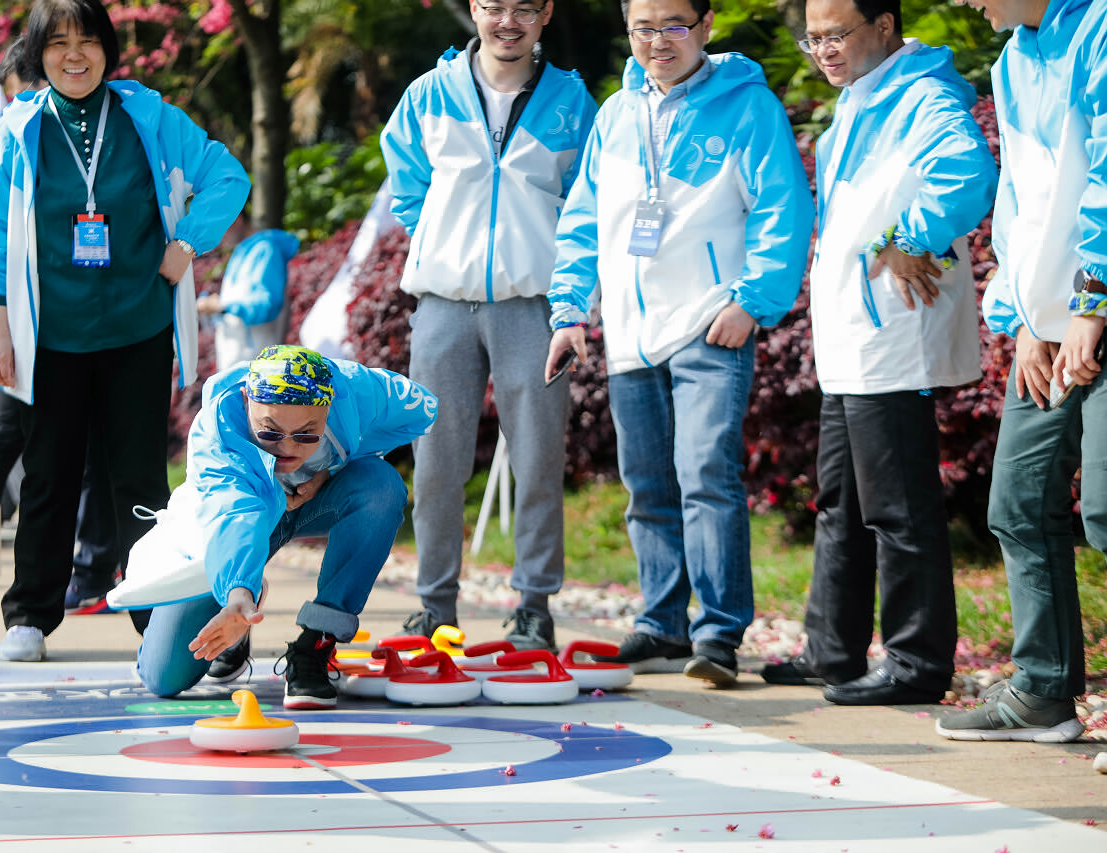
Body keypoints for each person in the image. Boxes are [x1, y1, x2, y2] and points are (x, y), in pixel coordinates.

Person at [0, 0, 250, 662]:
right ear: (38, 53)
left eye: (88, 41)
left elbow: (226, 176)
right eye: (59, 42)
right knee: (49, 474)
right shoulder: (17, 130)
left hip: (138, 325)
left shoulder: (150, 116)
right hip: (53, 333)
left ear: (108, 50)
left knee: (141, 482)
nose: (74, 54)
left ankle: (155, 617)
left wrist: (185, 244)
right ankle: (31, 614)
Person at [547, 0, 813, 684]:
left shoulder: (747, 105)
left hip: (707, 323)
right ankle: (661, 622)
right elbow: (583, 219)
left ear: (705, 25)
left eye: (674, 25)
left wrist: (752, 301)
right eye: (643, 27)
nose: (658, 41)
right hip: (632, 333)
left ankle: (718, 633)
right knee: (646, 484)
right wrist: (570, 308)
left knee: (706, 476)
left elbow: (783, 206)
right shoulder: (616, 114)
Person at [758, 0, 998, 705]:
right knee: (840, 500)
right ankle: (832, 649)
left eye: (838, 34)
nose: (824, 50)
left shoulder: (921, 96)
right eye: (814, 38)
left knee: (898, 507)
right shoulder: (859, 101)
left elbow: (966, 173)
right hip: (853, 339)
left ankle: (918, 664)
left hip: (893, 334)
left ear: (885, 25)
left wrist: (913, 235)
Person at [379, 0, 599, 651]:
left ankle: (534, 605)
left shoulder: (573, 101)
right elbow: (406, 183)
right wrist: (440, 245)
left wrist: (573, 301)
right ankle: (434, 604)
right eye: (494, 5)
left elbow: (587, 204)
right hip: (443, 304)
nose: (509, 21)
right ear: (474, 8)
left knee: (536, 460)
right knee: (436, 459)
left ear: (546, 13)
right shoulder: (429, 94)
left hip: (532, 305)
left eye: (525, 8)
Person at [936, 0, 1107, 742]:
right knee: (1018, 501)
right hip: (1051, 321)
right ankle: (1042, 691)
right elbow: (1022, 203)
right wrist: (1023, 318)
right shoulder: (1012, 61)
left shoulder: (1099, 29)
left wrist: (1091, 300)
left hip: (1096, 305)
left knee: (1105, 508)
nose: (966, 2)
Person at [127, 346, 438, 708]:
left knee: (381, 486)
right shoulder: (218, 433)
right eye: (270, 434)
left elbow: (423, 410)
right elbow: (233, 513)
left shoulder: (358, 391)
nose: (287, 449)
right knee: (162, 677)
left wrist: (333, 467)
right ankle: (242, 604)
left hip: (311, 505)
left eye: (307, 435)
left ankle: (316, 643)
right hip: (239, 527)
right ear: (246, 400)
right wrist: (239, 595)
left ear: (331, 403)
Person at [0, 37, 121, 606]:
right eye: (13, 98)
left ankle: (91, 570)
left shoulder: (101, 134)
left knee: (89, 447)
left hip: (81, 323)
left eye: (23, 96)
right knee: (8, 434)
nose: (19, 109)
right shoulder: (9, 143)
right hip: (8, 324)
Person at [197, 228, 299, 372]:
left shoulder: (265, 250)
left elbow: (267, 307)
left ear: (236, 219)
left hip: (260, 372)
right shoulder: (241, 253)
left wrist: (222, 306)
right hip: (235, 368)